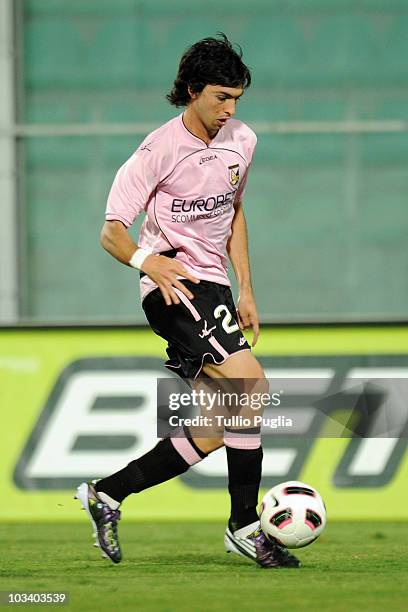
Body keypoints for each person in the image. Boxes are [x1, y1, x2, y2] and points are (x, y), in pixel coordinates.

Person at [75, 33, 300, 569]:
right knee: (251, 385)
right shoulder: (156, 151)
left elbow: (235, 212)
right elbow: (112, 233)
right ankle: (245, 526)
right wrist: (147, 261)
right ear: (193, 91)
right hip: (173, 287)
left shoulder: (242, 140)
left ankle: (107, 494)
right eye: (221, 97)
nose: (230, 109)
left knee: (220, 425)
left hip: (214, 287)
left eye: (237, 99)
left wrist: (245, 287)